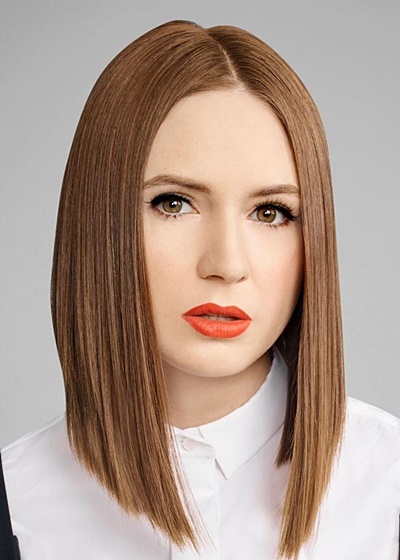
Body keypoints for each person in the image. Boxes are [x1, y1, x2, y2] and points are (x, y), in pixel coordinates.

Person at [0, 19, 399, 560]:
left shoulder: (387, 486)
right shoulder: (19, 504)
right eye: (174, 203)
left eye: (270, 212)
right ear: (98, 221)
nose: (226, 264)